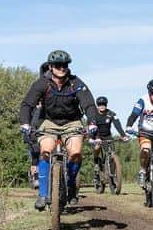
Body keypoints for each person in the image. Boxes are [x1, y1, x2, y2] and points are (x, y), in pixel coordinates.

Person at [18, 49, 100, 210]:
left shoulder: (76, 83)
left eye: (64, 65)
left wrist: (92, 122)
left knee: (75, 154)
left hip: (72, 122)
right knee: (45, 151)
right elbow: (27, 104)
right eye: (58, 65)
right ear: (50, 66)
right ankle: (42, 194)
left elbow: (89, 104)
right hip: (49, 122)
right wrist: (25, 123)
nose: (61, 68)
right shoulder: (42, 83)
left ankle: (70, 185)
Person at [126, 79, 153, 188]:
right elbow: (133, 115)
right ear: (149, 93)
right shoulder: (143, 100)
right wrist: (129, 126)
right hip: (145, 131)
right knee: (145, 149)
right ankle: (142, 170)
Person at [87, 96, 127, 174]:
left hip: (107, 136)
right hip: (96, 135)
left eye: (103, 104)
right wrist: (94, 138)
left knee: (112, 153)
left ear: (106, 105)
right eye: (100, 104)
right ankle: (96, 162)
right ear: (97, 105)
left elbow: (117, 125)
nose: (102, 106)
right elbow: (92, 127)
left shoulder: (111, 114)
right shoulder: (93, 115)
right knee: (97, 146)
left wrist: (123, 135)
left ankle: (112, 174)